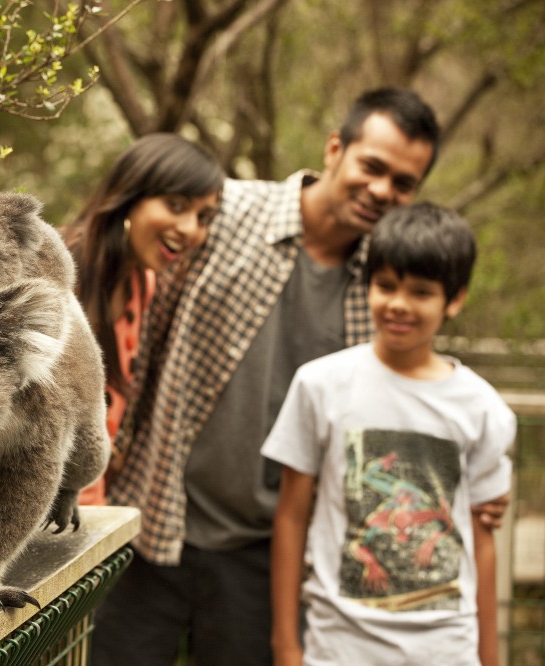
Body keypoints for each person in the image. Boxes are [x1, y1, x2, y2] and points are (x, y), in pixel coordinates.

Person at [91, 88, 507, 665]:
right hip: (152, 516)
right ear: (336, 148)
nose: (383, 190)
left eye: (404, 183)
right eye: (372, 167)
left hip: (266, 555)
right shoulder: (224, 211)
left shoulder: (387, 283)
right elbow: (118, 286)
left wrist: (478, 485)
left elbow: (409, 401)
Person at [263, 202, 514, 666]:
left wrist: (490, 657)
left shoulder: (481, 408)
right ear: (368, 284)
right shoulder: (320, 385)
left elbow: (482, 540)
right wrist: (286, 646)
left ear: (454, 300)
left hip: (445, 648)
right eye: (386, 286)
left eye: (421, 292)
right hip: (338, 645)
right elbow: (291, 517)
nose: (398, 304)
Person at [62, 133, 225, 504]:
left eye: (204, 217)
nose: (190, 229)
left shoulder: (143, 283)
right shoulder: (56, 274)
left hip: (89, 513)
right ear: (129, 196)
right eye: (176, 205)